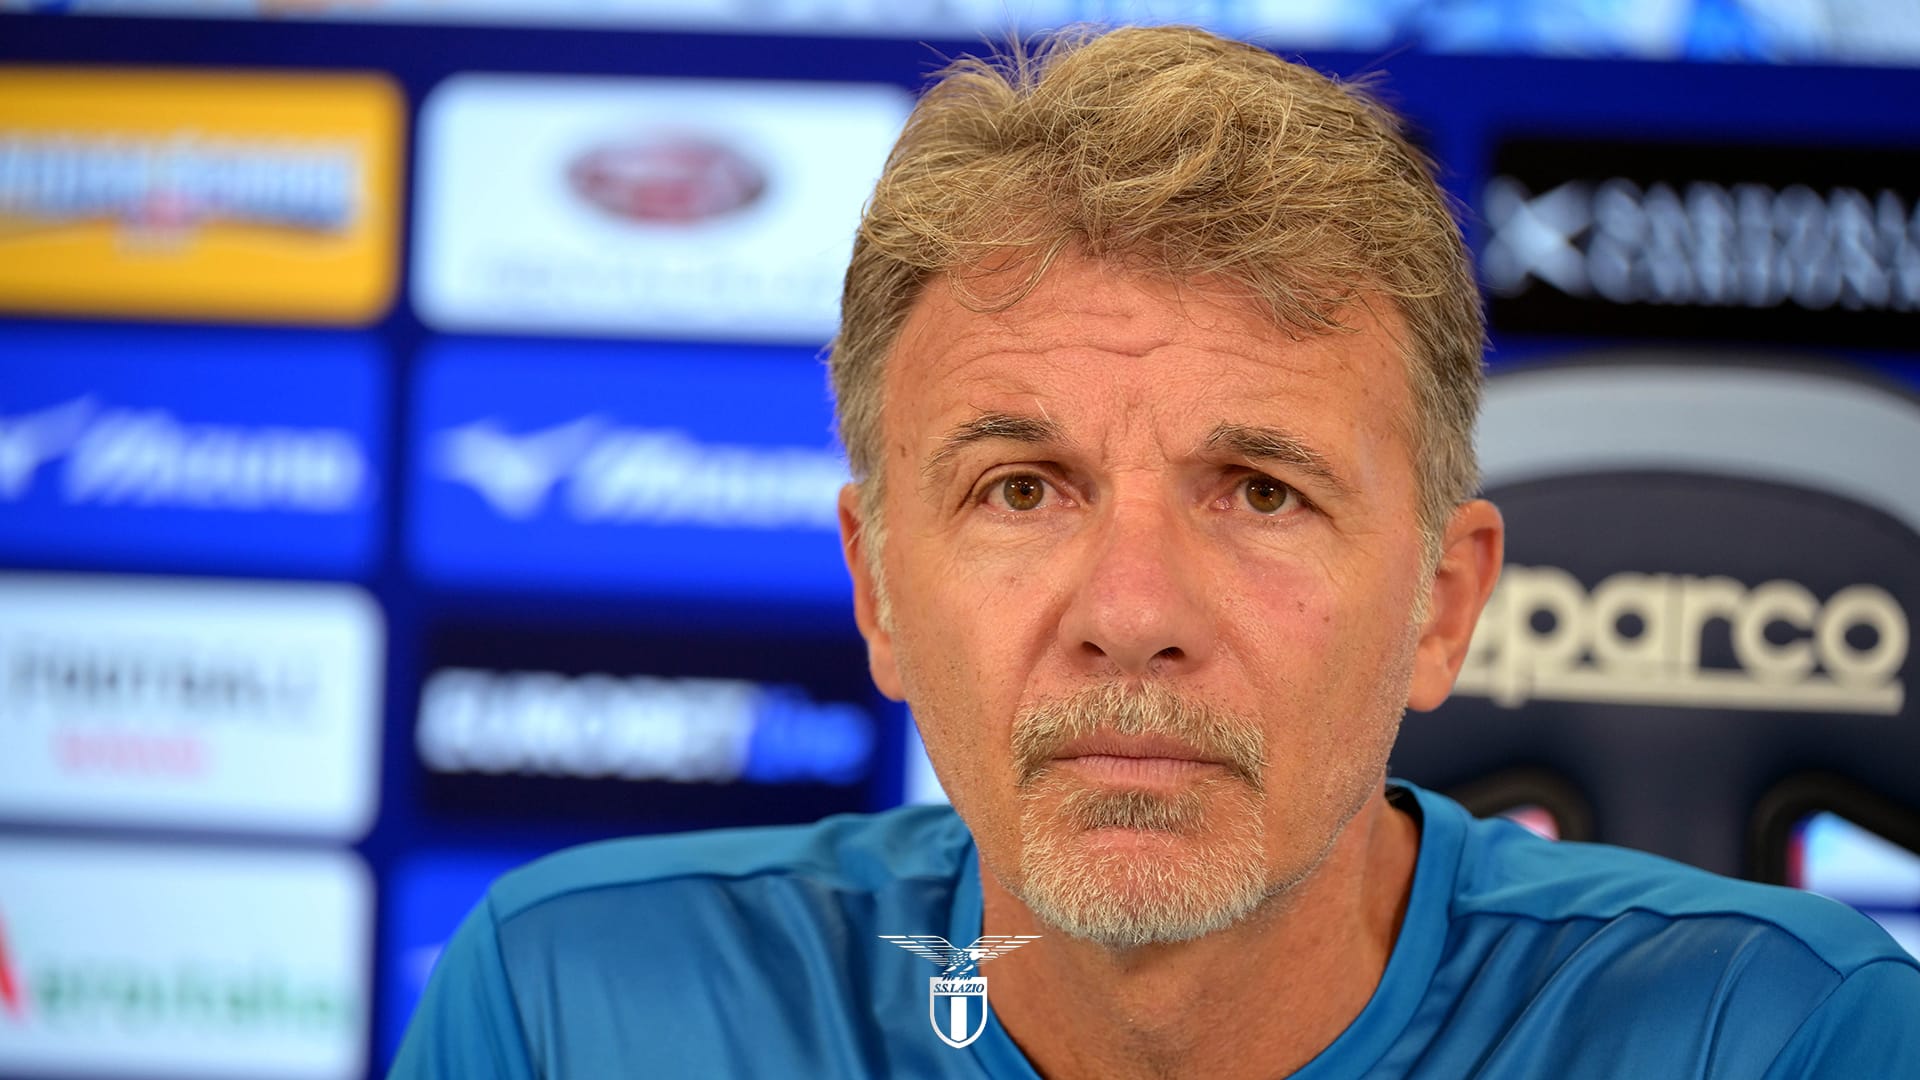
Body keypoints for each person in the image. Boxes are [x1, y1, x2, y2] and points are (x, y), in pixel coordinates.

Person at [390, 25, 1920, 1079]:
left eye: (1259, 492)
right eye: (1020, 489)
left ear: (1442, 605)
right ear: (878, 588)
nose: (1130, 613)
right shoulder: (573, 1005)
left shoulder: (1783, 1039)